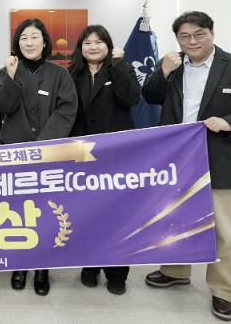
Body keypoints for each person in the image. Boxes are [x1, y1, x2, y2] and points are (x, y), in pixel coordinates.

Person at [142, 11, 231, 321]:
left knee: (224, 231)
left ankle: (223, 291)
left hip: (219, 158)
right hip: (177, 159)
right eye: (185, 36)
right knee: (175, 220)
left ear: (212, 33)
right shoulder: (173, 64)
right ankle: (175, 271)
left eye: (199, 34)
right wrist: (163, 71)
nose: (192, 41)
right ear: (177, 39)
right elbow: (149, 96)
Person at [0, 18, 77, 296]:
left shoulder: (59, 74)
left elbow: (66, 110)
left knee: (46, 212)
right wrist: (11, 76)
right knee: (17, 212)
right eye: (23, 38)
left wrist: (41, 146)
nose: (28, 43)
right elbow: (2, 105)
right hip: (13, 154)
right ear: (17, 43)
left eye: (34, 37)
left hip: (47, 154)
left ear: (44, 41)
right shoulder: (7, 70)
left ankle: (42, 268)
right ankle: (20, 264)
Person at [68, 24, 140, 295]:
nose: (93, 47)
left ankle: (117, 272)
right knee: (88, 214)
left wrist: (119, 64)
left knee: (118, 215)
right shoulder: (72, 74)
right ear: (80, 48)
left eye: (99, 42)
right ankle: (90, 265)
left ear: (109, 46)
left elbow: (131, 97)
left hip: (117, 156)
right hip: (82, 156)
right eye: (87, 42)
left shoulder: (122, 69)